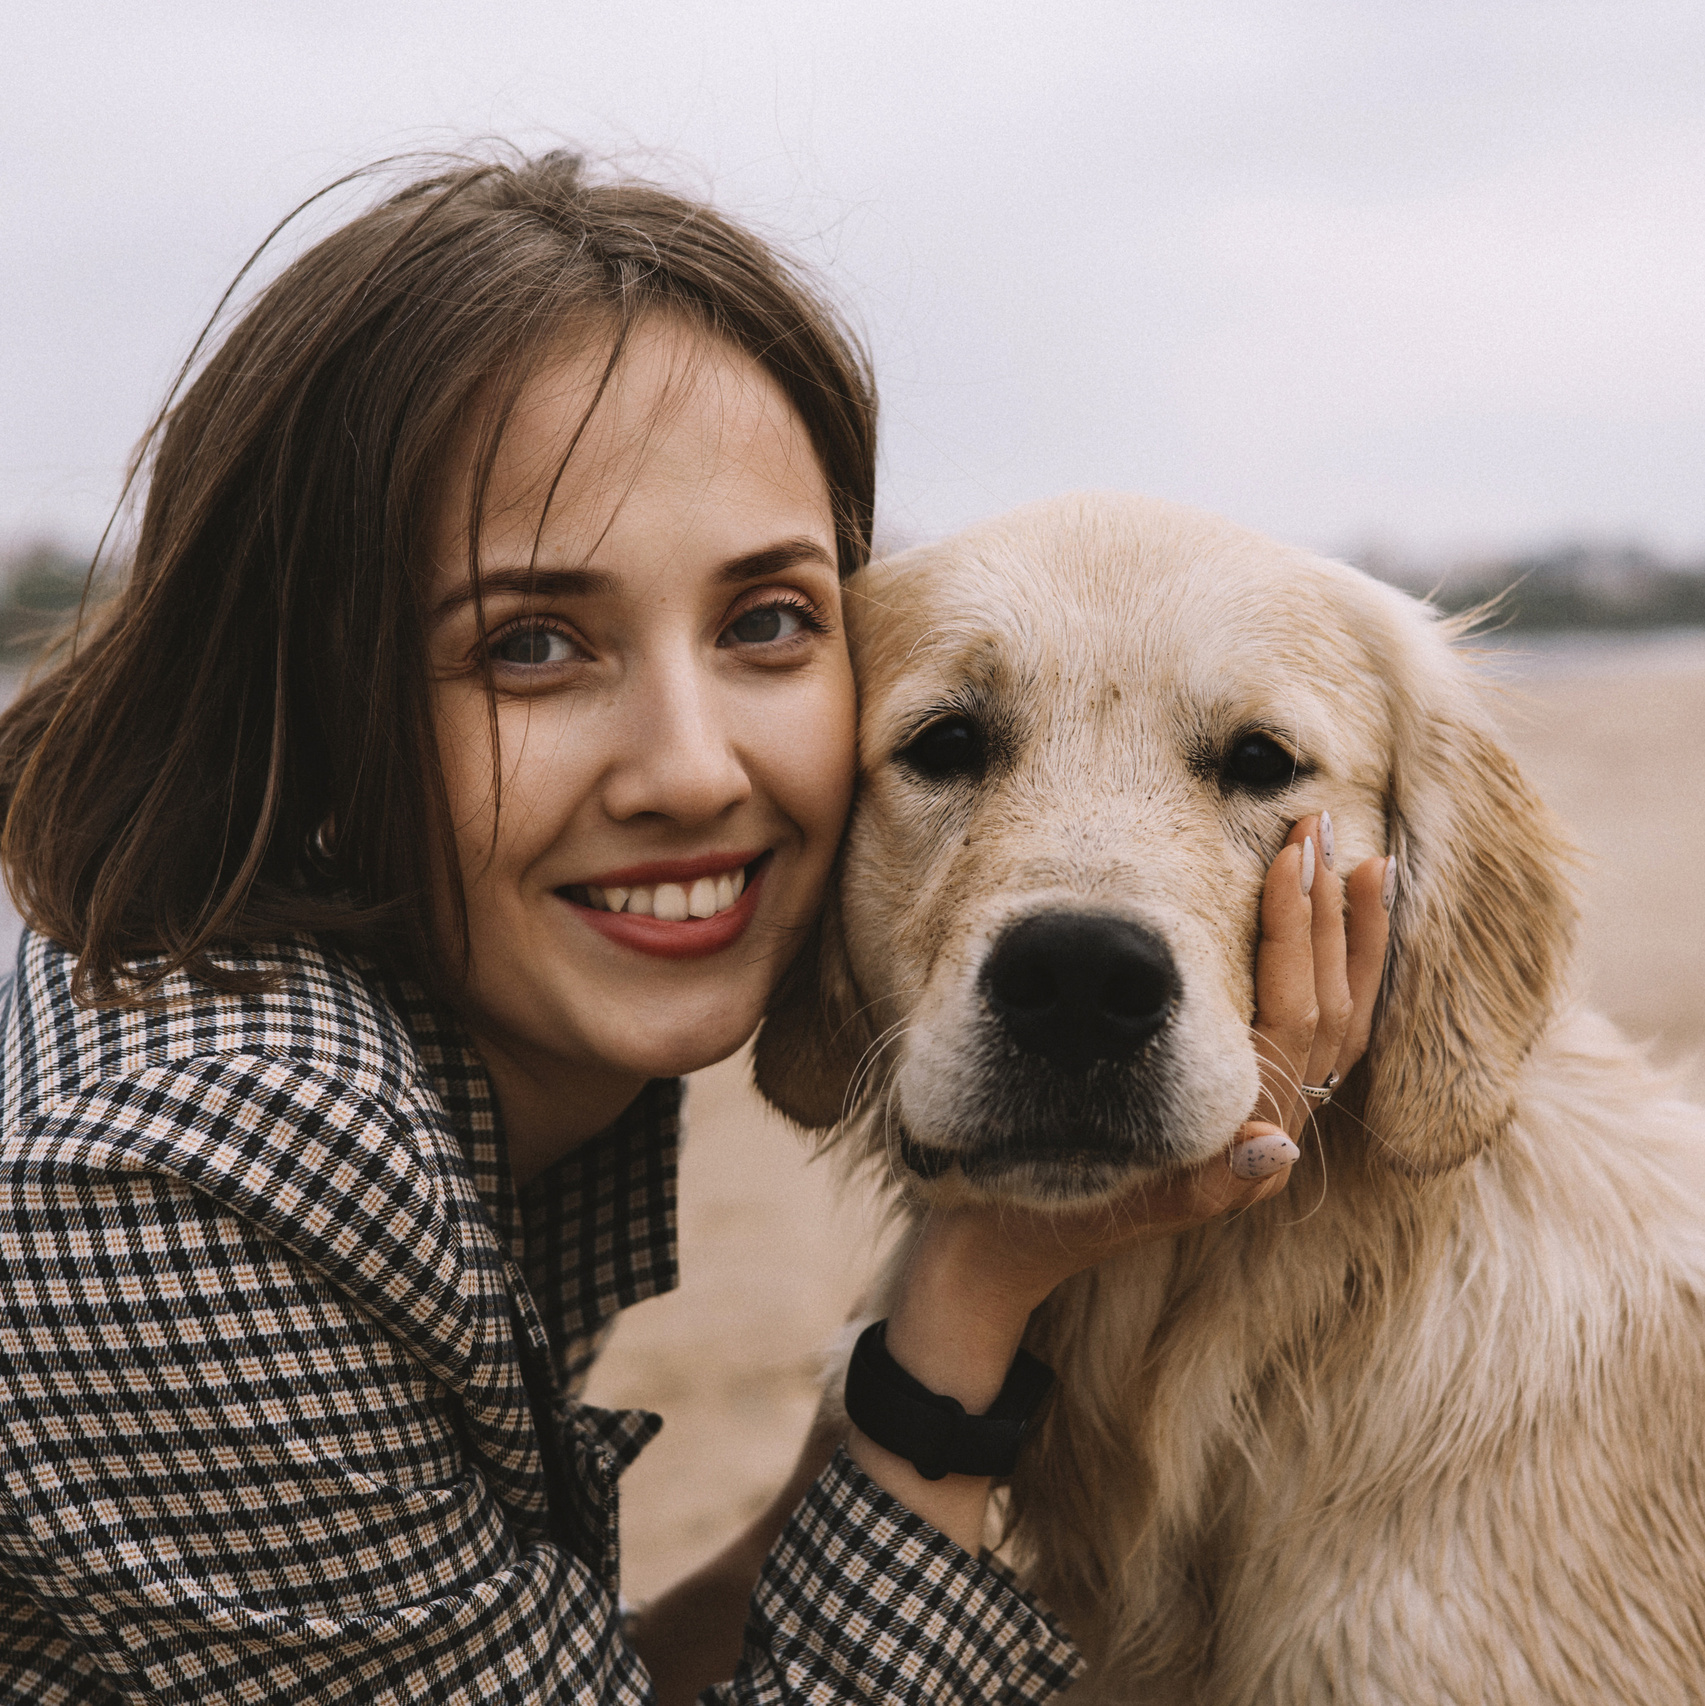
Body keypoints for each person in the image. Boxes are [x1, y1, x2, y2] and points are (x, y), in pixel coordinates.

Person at [0, 152, 1389, 1703]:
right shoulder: (206, 1166)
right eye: (529, 644)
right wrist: (973, 1283)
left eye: (767, 623)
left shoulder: (467, 1007)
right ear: (304, 706)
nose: (689, 770)